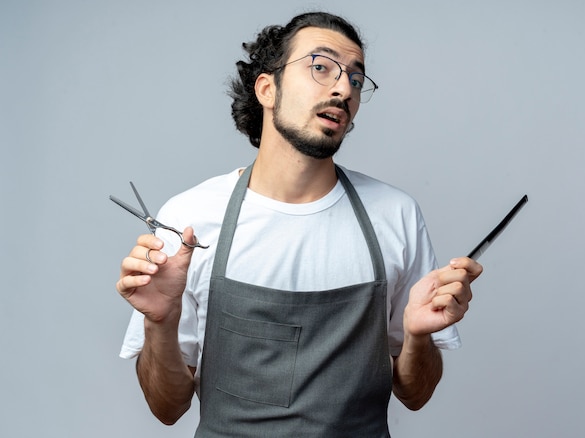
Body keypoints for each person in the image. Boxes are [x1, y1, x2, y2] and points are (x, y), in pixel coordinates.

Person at [117, 11, 482, 437]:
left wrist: (417, 336)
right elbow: (167, 407)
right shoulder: (189, 221)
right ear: (267, 89)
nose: (344, 88)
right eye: (321, 67)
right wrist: (160, 322)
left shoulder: (395, 214)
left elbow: (415, 395)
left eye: (356, 80)